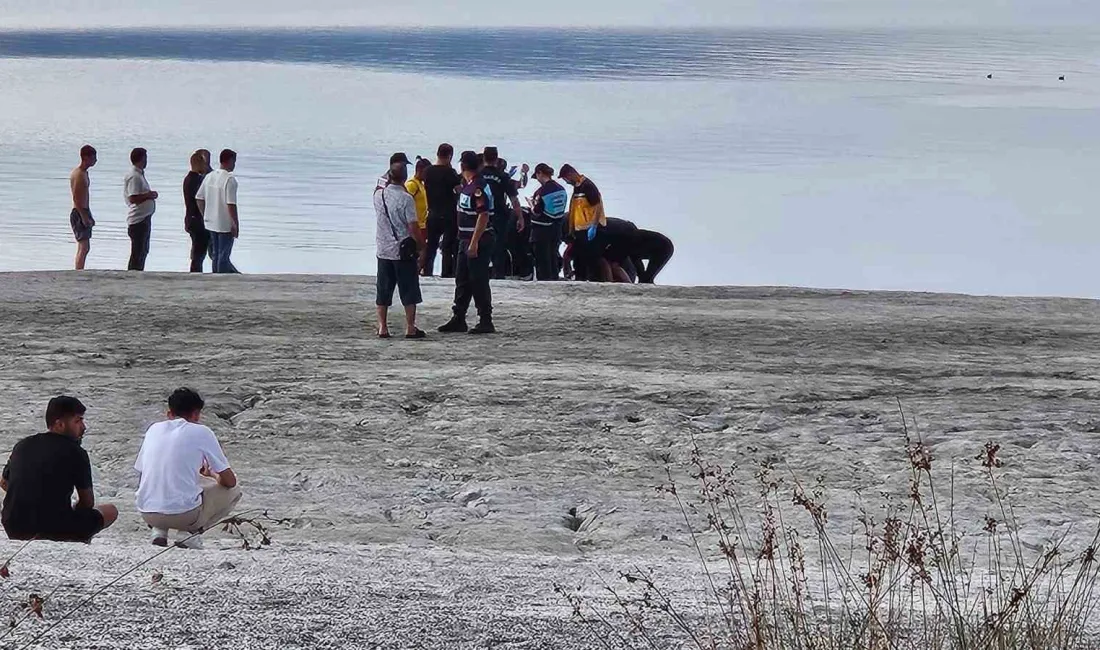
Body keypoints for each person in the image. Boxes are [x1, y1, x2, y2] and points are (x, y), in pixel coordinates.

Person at [1, 397, 119, 543]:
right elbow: (87, 502)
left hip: (14, 526)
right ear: (60, 424)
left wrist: (31, 494)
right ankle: (81, 541)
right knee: (110, 511)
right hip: (54, 529)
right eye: (78, 421)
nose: (83, 427)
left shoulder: (22, 445)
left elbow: (4, 483)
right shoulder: (76, 452)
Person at [134, 388, 241, 549]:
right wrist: (212, 474)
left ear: (169, 413)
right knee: (235, 490)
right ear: (196, 414)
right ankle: (190, 533)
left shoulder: (153, 429)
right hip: (184, 516)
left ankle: (159, 531)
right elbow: (230, 481)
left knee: (172, 481)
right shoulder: (202, 432)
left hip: (147, 512)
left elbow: (142, 470)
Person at [438, 151, 496, 335]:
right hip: (464, 239)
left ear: (462, 165)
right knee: (461, 279)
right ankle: (459, 317)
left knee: (478, 280)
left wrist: (474, 242)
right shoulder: (468, 185)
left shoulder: (478, 187)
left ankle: (486, 319)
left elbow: (483, 215)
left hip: (477, 240)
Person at [374, 161, 426, 339]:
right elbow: (413, 226)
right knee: (409, 290)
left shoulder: (378, 196)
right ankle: (410, 327)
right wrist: (421, 246)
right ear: (405, 178)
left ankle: (382, 327)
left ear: (389, 176)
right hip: (402, 251)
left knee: (383, 290)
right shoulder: (406, 198)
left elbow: (378, 184)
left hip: (383, 249)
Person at [479, 147, 524, 279]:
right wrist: (520, 217)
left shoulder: (478, 174)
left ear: (483, 158)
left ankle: (481, 273)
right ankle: (498, 275)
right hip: (499, 215)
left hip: (480, 214)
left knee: (480, 245)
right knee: (499, 246)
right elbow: (514, 199)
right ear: (497, 159)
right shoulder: (502, 176)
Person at [559, 164, 608, 282]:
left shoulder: (588, 186)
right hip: (579, 229)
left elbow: (597, 206)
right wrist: (572, 229)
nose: (566, 182)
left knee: (591, 258)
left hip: (590, 228)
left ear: (571, 174)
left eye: (565, 178)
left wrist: (594, 225)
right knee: (579, 258)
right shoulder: (577, 186)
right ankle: (580, 278)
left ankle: (594, 280)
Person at [195, 149, 240, 274]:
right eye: (234, 162)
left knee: (215, 254)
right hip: (224, 223)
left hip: (211, 221)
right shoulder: (229, 180)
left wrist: (205, 214)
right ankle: (222, 279)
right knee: (223, 255)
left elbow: (199, 198)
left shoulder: (210, 176)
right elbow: (231, 204)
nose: (234, 165)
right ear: (229, 161)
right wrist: (235, 223)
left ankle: (215, 276)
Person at [423, 144, 462, 278]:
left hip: (432, 212)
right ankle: (446, 274)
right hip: (449, 214)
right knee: (447, 248)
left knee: (431, 247)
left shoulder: (427, 171)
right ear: (450, 156)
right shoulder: (450, 172)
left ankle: (427, 272)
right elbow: (459, 189)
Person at [527, 163, 569, 281]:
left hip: (541, 229)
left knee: (542, 259)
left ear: (540, 173)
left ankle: (544, 281)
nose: (538, 180)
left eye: (537, 176)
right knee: (553, 256)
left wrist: (531, 204)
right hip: (557, 228)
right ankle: (554, 278)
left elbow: (537, 211)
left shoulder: (541, 192)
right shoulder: (562, 189)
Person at [123, 147, 159, 271]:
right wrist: (149, 195)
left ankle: (138, 272)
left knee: (143, 250)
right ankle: (134, 274)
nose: (147, 161)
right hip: (138, 219)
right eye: (145, 158)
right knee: (138, 251)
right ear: (141, 159)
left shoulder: (139, 174)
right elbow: (132, 197)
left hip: (143, 217)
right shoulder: (135, 176)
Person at [183, 149, 212, 273]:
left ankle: (195, 271)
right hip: (197, 221)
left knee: (198, 250)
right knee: (199, 252)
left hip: (191, 219)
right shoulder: (197, 181)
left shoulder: (189, 179)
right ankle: (195, 273)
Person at [69, 145, 97, 270]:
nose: (95, 160)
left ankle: (79, 268)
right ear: (85, 157)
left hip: (83, 210)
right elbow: (76, 197)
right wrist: (84, 216)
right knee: (84, 246)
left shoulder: (83, 173)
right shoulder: (79, 174)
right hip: (79, 211)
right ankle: (79, 270)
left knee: (84, 246)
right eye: (93, 158)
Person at [405, 158, 430, 272]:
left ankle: (417, 271)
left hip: (423, 224)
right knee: (419, 251)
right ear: (420, 170)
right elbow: (404, 202)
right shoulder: (412, 185)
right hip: (415, 225)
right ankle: (414, 271)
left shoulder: (421, 184)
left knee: (423, 252)